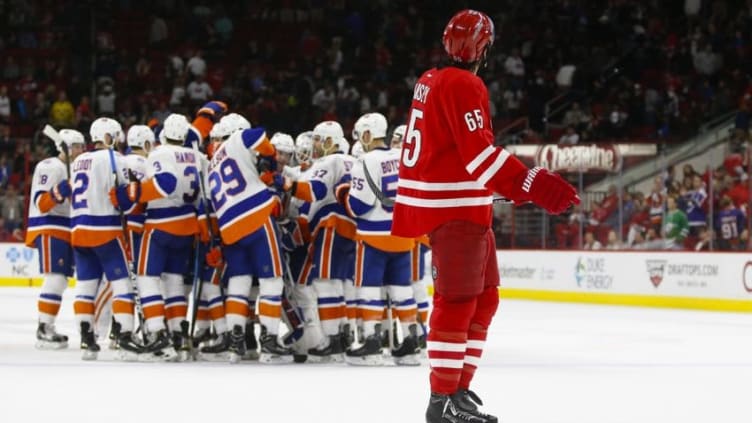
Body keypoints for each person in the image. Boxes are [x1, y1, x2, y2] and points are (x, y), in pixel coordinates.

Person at [390, 10, 579, 423]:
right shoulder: (464, 83)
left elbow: (450, 152)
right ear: (485, 47)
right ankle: (441, 401)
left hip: (458, 205)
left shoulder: (430, 80)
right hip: (454, 210)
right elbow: (479, 157)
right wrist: (534, 184)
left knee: (485, 297)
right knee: (457, 301)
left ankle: (458, 388)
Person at [343, 112, 419, 366]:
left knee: (369, 289)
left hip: (373, 237)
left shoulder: (364, 161)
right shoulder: (402, 157)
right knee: (402, 289)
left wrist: (346, 197)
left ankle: (372, 344)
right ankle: (410, 344)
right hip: (402, 234)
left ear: (366, 135)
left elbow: (360, 206)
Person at [70, 117, 143, 360]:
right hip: (105, 231)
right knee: (122, 285)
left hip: (78, 231)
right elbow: (123, 198)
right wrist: (133, 189)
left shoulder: (79, 160)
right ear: (108, 137)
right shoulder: (114, 158)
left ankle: (86, 338)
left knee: (85, 286)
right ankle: (124, 337)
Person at [26, 129, 85, 349]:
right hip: (51, 226)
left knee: (61, 280)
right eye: (78, 146)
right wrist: (62, 189)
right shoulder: (49, 166)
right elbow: (41, 202)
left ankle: (47, 326)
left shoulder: (77, 168)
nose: (82, 150)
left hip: (67, 227)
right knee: (56, 278)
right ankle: (44, 327)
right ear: (67, 148)